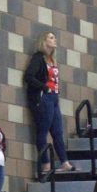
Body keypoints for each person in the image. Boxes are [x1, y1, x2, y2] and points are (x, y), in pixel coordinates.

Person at [24, 31, 73, 177]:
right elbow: (29, 76)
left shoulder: (52, 59)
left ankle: (64, 162)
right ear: (44, 41)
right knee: (43, 131)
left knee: (57, 131)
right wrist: (44, 87)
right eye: (51, 37)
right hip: (44, 97)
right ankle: (45, 164)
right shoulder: (39, 58)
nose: (55, 39)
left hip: (54, 97)